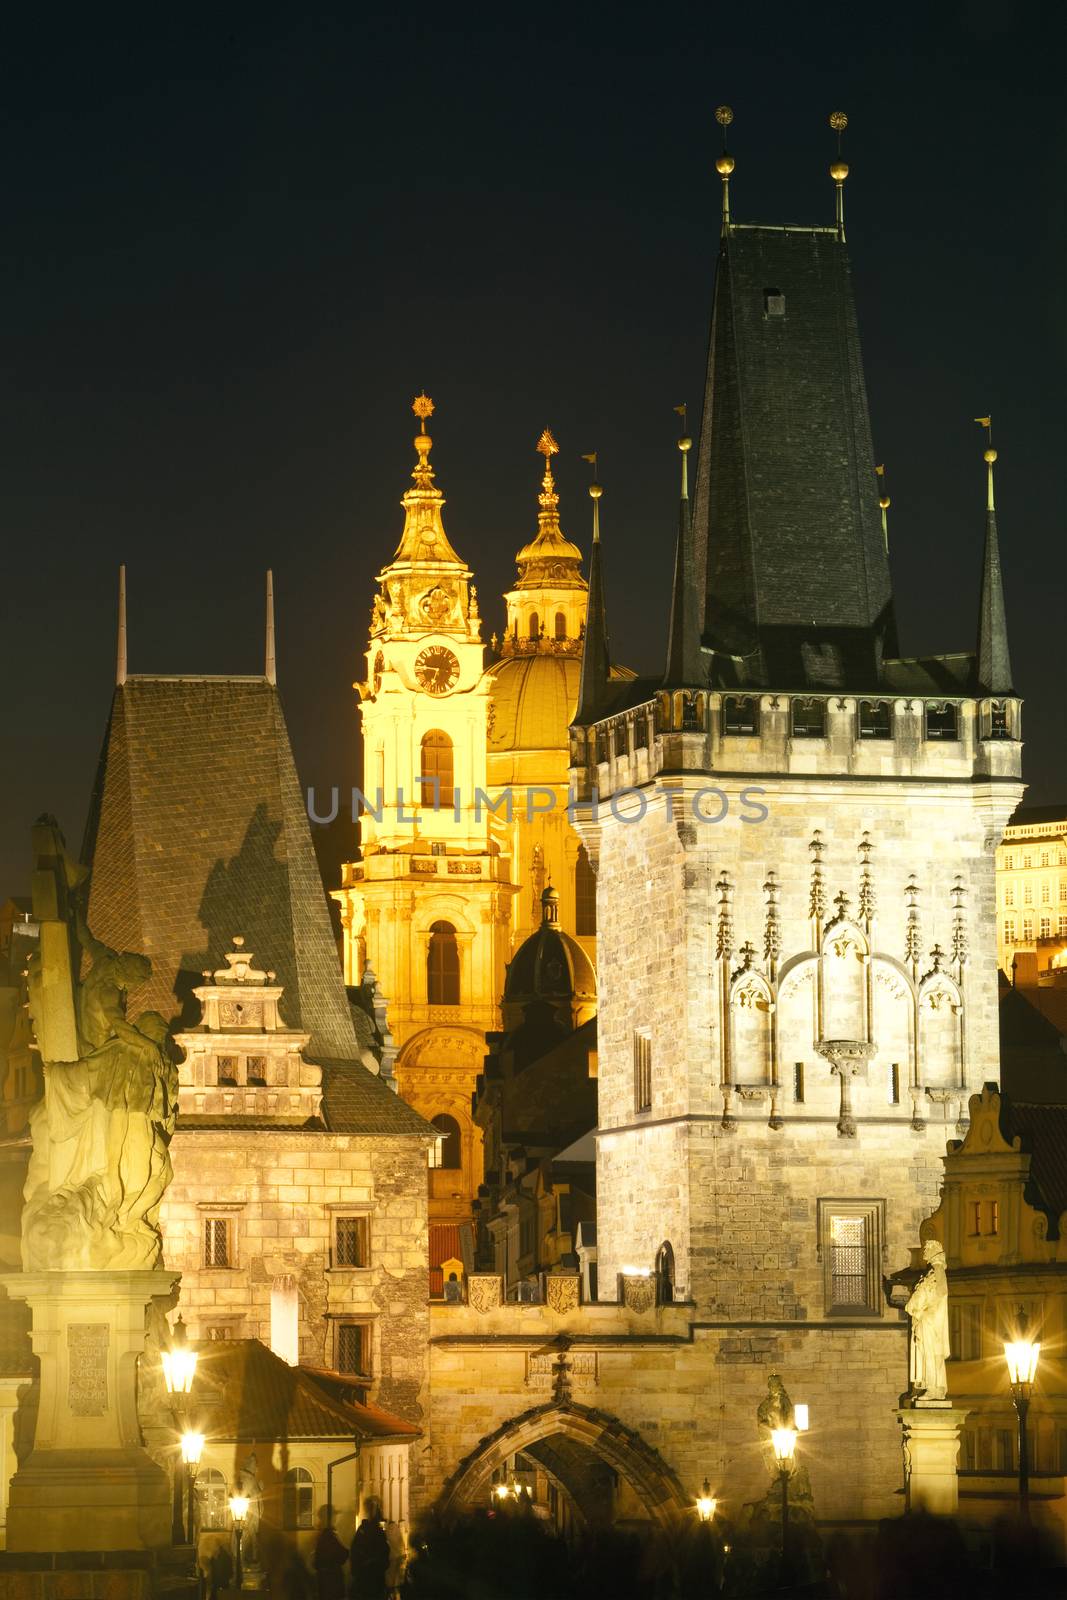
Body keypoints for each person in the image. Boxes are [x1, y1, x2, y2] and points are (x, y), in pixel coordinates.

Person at [349, 1501, 390, 1600]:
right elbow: (384, 1551)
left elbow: (354, 1550)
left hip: (368, 1576)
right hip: (371, 1576)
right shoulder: (376, 1530)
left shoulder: (369, 1529)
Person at [313, 1505, 348, 1600]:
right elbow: (343, 1554)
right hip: (331, 1582)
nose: (335, 1518)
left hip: (326, 1582)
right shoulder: (329, 1535)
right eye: (334, 1515)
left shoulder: (322, 1534)